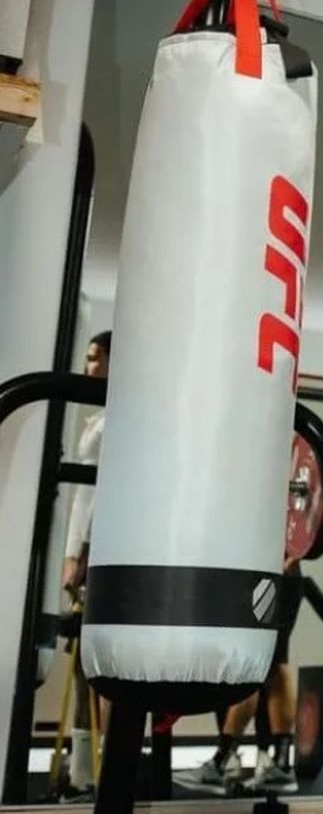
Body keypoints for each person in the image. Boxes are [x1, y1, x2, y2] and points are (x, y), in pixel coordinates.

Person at [173, 550, 302, 795]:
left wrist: (295, 553)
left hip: (274, 572)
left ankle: (222, 764)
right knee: (272, 664)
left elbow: (310, 518)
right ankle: (280, 766)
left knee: (255, 664)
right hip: (263, 571)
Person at [60, 330, 111, 797]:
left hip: (104, 547)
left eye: (96, 359)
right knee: (82, 665)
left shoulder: (121, 417)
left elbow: (95, 496)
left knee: (101, 666)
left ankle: (103, 769)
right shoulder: (96, 418)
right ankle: (83, 773)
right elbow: (79, 494)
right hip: (88, 546)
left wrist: (82, 553)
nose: (88, 366)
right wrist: (72, 551)